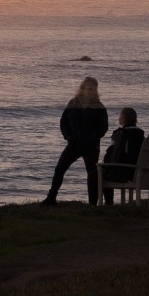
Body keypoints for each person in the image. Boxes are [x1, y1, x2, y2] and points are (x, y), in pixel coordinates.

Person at [41, 77, 109, 206]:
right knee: (59, 169)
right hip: (73, 144)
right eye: (89, 89)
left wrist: (92, 138)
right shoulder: (73, 103)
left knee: (92, 173)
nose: (92, 92)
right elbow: (64, 121)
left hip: (91, 146)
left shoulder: (99, 107)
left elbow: (103, 127)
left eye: (94, 89)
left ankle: (92, 203)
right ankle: (51, 198)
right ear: (82, 89)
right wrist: (67, 136)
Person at [101, 107, 145, 205]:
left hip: (124, 173)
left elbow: (111, 157)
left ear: (123, 119)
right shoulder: (141, 135)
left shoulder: (120, 134)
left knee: (98, 173)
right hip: (140, 173)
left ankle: (108, 203)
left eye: (120, 115)